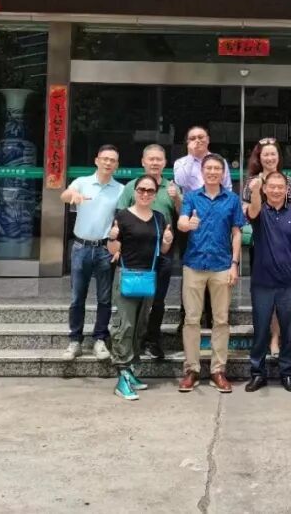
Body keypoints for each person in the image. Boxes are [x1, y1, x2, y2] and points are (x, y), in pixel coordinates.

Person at [176, 154, 244, 393]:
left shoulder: (232, 199)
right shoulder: (192, 197)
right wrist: (186, 224)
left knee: (221, 320)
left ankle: (218, 370)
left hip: (222, 265)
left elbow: (237, 233)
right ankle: (191, 369)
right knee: (191, 319)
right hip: (194, 264)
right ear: (202, 172)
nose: (213, 172)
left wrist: (235, 264)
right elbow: (181, 222)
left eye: (217, 168)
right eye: (209, 168)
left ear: (223, 173)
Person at [106, 174, 173, 400]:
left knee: (139, 326)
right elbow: (113, 249)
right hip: (127, 276)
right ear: (134, 192)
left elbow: (162, 251)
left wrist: (167, 241)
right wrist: (112, 238)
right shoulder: (123, 217)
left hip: (147, 277)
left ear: (155, 194)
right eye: (141, 190)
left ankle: (131, 371)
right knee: (124, 326)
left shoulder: (159, 218)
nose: (145, 194)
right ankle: (122, 376)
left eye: (150, 191)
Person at [59, 145, 124, 361]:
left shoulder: (120, 189)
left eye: (112, 160)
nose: (108, 163)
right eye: (105, 159)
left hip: (105, 249)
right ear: (97, 160)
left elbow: (122, 220)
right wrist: (73, 195)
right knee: (77, 297)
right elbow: (64, 195)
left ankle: (100, 339)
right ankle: (74, 340)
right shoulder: (82, 182)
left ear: (116, 165)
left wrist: (118, 245)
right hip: (81, 248)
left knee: (104, 298)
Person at [117, 144, 182, 359]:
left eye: (159, 159)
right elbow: (120, 218)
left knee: (158, 299)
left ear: (165, 163)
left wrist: (177, 198)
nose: (155, 163)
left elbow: (182, 216)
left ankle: (152, 340)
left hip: (162, 251)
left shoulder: (171, 187)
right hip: (134, 254)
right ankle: (129, 340)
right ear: (143, 162)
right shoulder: (132, 187)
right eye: (151, 159)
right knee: (132, 297)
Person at [244, 171, 291, 393]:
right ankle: (257, 373)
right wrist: (254, 191)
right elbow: (252, 210)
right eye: (272, 186)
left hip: (288, 282)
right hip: (262, 282)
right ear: (265, 189)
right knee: (261, 330)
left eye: (281, 187)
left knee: (288, 331)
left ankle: (287, 373)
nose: (276, 190)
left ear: (287, 190)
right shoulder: (259, 211)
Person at [242, 138, 291, 353]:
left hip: (284, 245)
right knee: (263, 295)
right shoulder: (251, 182)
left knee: (283, 295)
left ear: (278, 157)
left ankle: (276, 337)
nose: (269, 158)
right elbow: (246, 210)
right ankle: (262, 336)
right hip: (261, 245)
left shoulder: (288, 181)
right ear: (260, 157)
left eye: (273, 154)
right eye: (265, 154)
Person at [172, 126, 227, 332]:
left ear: (208, 139)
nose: (198, 141)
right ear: (187, 142)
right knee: (191, 269)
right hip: (190, 219)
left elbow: (227, 188)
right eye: (193, 138)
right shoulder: (181, 163)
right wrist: (191, 156)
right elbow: (181, 181)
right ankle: (186, 315)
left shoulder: (219, 162)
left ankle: (213, 316)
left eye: (201, 137)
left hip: (216, 219)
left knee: (215, 268)